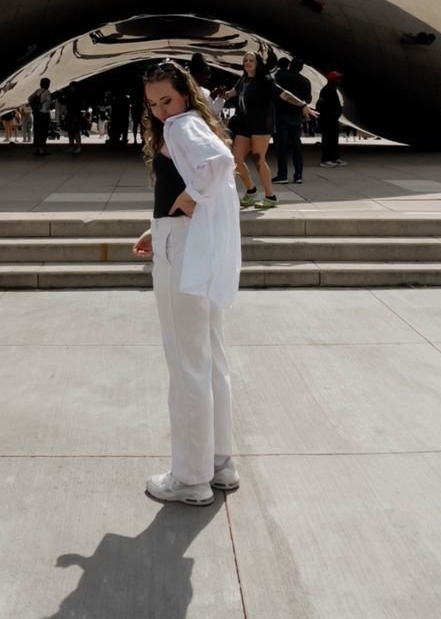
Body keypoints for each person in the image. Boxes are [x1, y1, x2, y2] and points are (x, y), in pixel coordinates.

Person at [132, 60, 241, 506]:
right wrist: (160, 224)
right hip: (193, 245)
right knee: (209, 356)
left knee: (186, 360)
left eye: (166, 99)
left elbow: (218, 165)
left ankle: (190, 477)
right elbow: (212, 176)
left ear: (184, 94)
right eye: (153, 103)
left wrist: (188, 200)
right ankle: (217, 463)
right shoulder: (192, 122)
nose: (160, 110)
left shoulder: (180, 126)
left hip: (184, 251)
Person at [224, 51, 311, 209]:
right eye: (246, 60)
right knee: (236, 158)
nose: (248, 63)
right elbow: (232, 93)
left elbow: (284, 94)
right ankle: (251, 190)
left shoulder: (265, 80)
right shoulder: (243, 80)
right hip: (244, 124)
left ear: (258, 63)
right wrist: (223, 94)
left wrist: (302, 105)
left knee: (258, 160)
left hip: (261, 125)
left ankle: (270, 196)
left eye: (251, 60)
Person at [273, 57, 311, 184]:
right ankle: (298, 174)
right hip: (296, 116)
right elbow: (308, 99)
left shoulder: (281, 76)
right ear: (301, 68)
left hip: (281, 115)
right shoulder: (305, 81)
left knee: (281, 147)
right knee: (297, 146)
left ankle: (282, 174)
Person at [317, 71, 345, 168]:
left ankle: (334, 158)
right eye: (337, 78)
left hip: (332, 119)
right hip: (328, 119)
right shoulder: (326, 90)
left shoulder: (332, 89)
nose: (339, 80)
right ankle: (325, 160)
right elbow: (321, 104)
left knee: (333, 139)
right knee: (327, 140)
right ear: (333, 80)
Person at [28, 77, 52, 155]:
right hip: (44, 114)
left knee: (37, 131)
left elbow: (29, 98)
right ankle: (42, 149)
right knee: (44, 131)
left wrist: (34, 106)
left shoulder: (37, 91)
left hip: (37, 114)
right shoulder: (47, 92)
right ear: (48, 84)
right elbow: (48, 102)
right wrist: (45, 107)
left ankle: (37, 149)